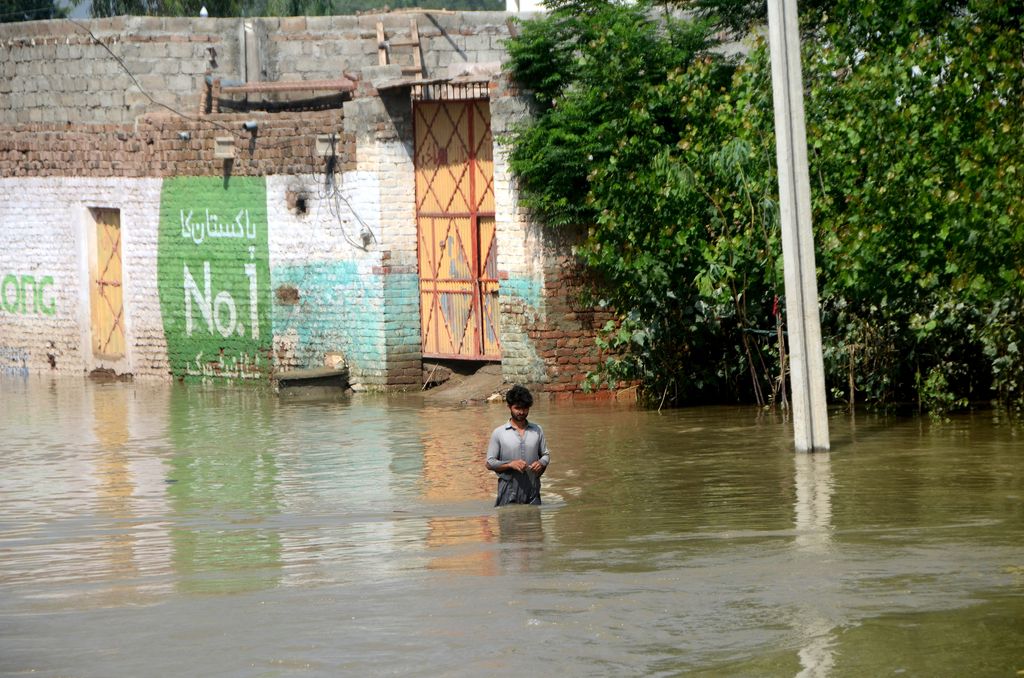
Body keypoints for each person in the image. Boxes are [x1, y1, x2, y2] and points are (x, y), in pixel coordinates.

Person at [485, 385, 550, 506]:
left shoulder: (537, 430)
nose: (521, 412)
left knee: (534, 524)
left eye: (525, 408)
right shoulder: (499, 433)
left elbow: (545, 455)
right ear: (509, 407)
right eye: (517, 408)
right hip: (507, 494)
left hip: (533, 493)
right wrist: (510, 464)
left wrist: (541, 463)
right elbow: (489, 463)